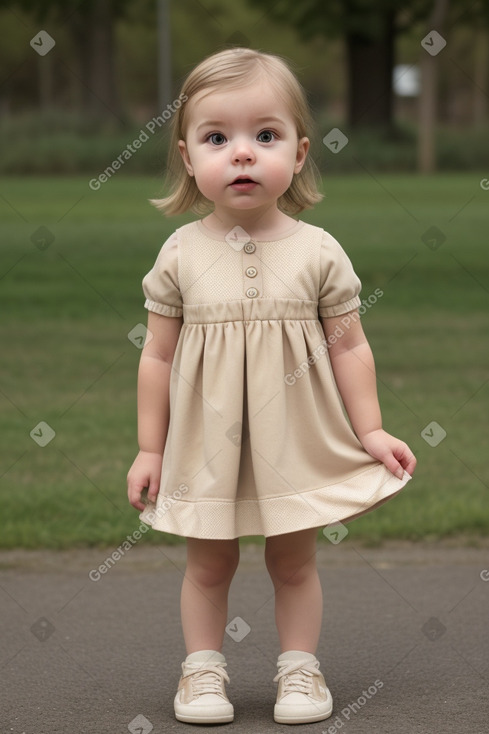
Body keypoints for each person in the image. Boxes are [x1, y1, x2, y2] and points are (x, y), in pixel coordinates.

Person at [127, 47, 416, 726]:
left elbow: (349, 344)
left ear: (299, 151)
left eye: (265, 136)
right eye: (217, 138)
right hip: (205, 445)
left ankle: (299, 671)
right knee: (207, 564)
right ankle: (202, 672)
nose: (243, 154)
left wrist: (369, 428)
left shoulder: (317, 251)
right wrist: (149, 448)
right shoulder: (180, 254)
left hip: (294, 437)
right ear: (188, 157)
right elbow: (158, 359)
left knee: (293, 561)